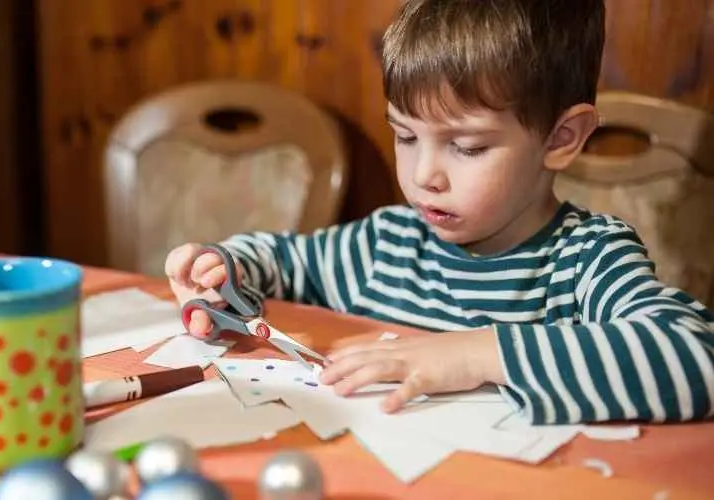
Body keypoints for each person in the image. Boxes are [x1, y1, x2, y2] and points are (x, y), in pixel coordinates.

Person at [164, 0, 714, 425]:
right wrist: (224, 273)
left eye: (467, 147)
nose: (425, 174)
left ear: (561, 137)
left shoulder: (586, 259)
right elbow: (280, 259)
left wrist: (475, 353)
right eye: (405, 135)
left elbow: (697, 356)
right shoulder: (387, 245)